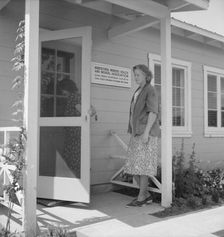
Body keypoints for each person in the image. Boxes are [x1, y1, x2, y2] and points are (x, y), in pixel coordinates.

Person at [124, 64, 160, 207]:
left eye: (138, 74)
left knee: (142, 167)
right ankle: (146, 195)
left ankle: (142, 197)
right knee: (132, 166)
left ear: (146, 75)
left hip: (146, 133)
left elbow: (153, 112)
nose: (136, 77)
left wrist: (146, 133)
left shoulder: (150, 90)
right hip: (136, 133)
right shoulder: (139, 90)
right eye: (135, 75)